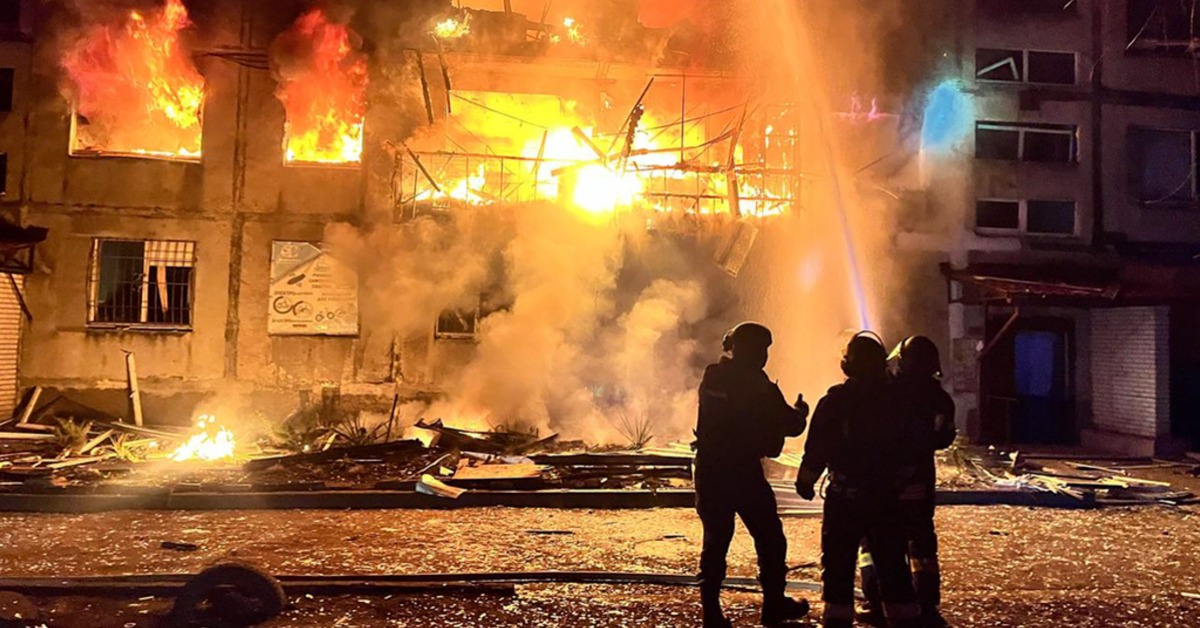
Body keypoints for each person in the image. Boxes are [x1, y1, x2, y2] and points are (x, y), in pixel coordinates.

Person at [795, 332, 921, 628]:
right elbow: (914, 447)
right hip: (887, 498)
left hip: (845, 498)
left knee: (838, 567)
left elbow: (817, 448)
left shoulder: (835, 401)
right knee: (893, 566)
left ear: (847, 364)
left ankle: (838, 621)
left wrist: (806, 481)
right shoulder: (899, 401)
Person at [693, 322, 810, 627]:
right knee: (770, 538)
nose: (763, 355)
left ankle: (712, 613)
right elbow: (791, 425)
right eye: (760, 349)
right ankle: (773, 604)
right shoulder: (759, 385)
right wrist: (800, 413)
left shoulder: (713, 377)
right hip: (742, 472)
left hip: (712, 470)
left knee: (716, 540)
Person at [858, 336, 957, 627]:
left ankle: (876, 601)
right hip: (920, 478)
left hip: (885, 479)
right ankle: (926, 605)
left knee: (876, 541)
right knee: (922, 543)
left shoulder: (885, 394)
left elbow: (870, 436)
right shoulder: (939, 398)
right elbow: (944, 437)